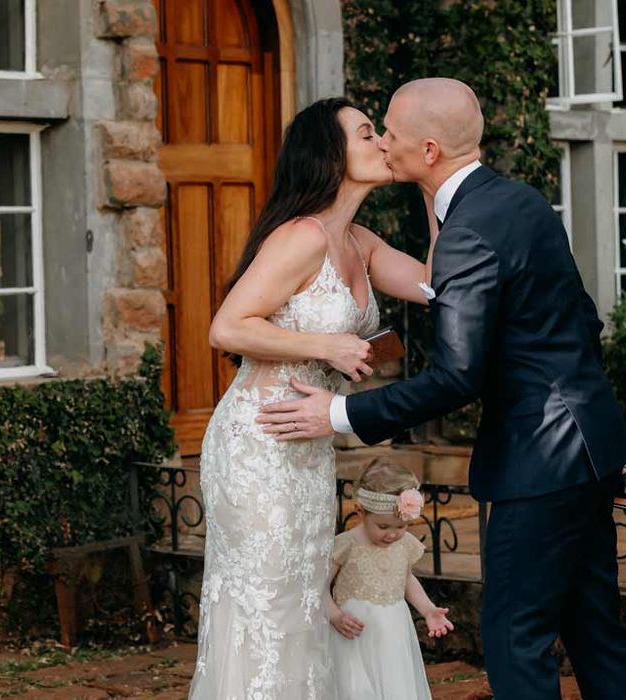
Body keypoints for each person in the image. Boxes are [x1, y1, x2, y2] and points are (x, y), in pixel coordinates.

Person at [258, 77, 626, 699]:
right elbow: (581, 321)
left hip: (536, 464)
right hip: (591, 450)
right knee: (595, 633)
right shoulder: (521, 202)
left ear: (428, 151)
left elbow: (457, 375)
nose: (384, 143)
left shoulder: (468, 232)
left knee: (517, 638)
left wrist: (340, 413)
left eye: (392, 134)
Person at [187, 97, 435, 699]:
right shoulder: (301, 237)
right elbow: (227, 327)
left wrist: (433, 188)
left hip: (307, 447)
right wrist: (327, 343)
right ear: (330, 154)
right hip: (259, 444)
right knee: (269, 604)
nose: (381, 142)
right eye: (367, 132)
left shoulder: (362, 242)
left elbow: (438, 283)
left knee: (303, 601)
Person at [329, 458, 453, 699]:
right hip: (354, 632)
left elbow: (406, 579)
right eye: (383, 526)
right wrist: (334, 616)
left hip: (394, 629)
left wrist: (428, 610)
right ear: (360, 511)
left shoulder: (404, 544)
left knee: (395, 684)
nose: (393, 534)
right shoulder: (346, 545)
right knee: (357, 689)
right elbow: (318, 588)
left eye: (402, 526)